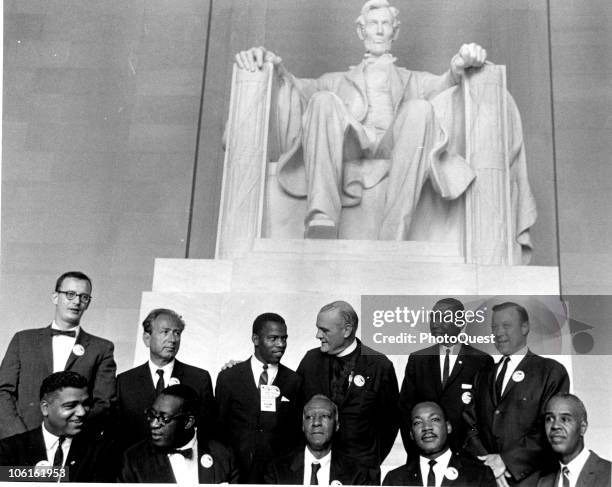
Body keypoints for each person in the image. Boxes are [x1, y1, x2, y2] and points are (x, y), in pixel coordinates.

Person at [236, 0, 487, 240]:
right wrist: (271, 66)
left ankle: (395, 228)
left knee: (420, 109)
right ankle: (322, 215)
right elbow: (293, 88)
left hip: (397, 143)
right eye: (373, 24)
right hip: (352, 142)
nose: (379, 31)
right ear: (361, 30)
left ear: (394, 32)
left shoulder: (414, 79)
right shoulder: (334, 81)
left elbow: (446, 83)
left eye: (385, 24)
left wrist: (460, 63)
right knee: (323, 100)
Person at [463, 302, 570, 487]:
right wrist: (488, 463)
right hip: (486, 478)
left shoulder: (550, 372)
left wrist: (505, 461)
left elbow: (551, 428)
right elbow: (470, 425)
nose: (498, 332)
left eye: (506, 325)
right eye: (494, 327)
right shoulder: (482, 375)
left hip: (534, 481)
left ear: (525, 327)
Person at [0, 271, 116, 439]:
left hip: (72, 445)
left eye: (84, 297)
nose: (76, 302)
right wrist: (19, 437)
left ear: (88, 303)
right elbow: (3, 392)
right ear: (55, 297)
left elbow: (104, 403)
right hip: (22, 442)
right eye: (70, 294)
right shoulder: (23, 340)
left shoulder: (102, 348)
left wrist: (70, 432)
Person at [296, 300, 399, 474]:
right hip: (317, 469)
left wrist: (369, 462)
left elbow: (390, 423)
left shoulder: (380, 366)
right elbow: (294, 409)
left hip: (362, 471)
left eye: (325, 330)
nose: (317, 335)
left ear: (347, 330)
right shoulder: (310, 361)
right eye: (318, 328)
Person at [215, 312, 302, 483]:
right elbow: (218, 428)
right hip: (235, 472)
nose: (281, 344)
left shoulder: (294, 381)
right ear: (255, 339)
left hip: (277, 474)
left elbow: (296, 434)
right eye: (273, 338)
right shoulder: (229, 377)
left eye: (284, 339)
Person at [399, 298, 493, 453]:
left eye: (443, 318)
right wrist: (415, 453)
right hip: (426, 455)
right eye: (433, 317)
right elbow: (405, 411)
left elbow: (485, 416)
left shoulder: (481, 361)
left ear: (460, 323)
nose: (435, 323)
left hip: (467, 457)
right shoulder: (418, 360)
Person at [116, 308, 215, 450]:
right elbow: (118, 434)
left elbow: (208, 431)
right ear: (147, 338)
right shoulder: (125, 381)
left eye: (177, 333)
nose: (173, 339)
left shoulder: (199, 379)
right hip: (136, 466)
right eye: (165, 332)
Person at [0, 371, 118, 482]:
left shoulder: (101, 451)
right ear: (45, 408)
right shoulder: (8, 450)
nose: (82, 412)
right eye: (70, 406)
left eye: (86, 404)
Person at [119, 384, 238, 483]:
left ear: (188, 422)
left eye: (164, 418)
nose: (154, 424)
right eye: (152, 415)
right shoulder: (134, 460)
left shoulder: (223, 456)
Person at [264, 394, 377, 485]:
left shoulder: (357, 474)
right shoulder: (277, 471)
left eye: (325, 416)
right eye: (309, 417)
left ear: (337, 425)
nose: (316, 422)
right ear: (303, 426)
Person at [384, 401, 495, 486]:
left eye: (434, 419)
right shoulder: (394, 480)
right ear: (412, 434)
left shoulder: (479, 475)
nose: (427, 427)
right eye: (417, 422)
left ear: (448, 427)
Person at [537, 394, 611, 487]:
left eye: (564, 419)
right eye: (549, 419)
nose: (555, 426)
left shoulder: (608, 474)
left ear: (582, 428)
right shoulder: (543, 483)